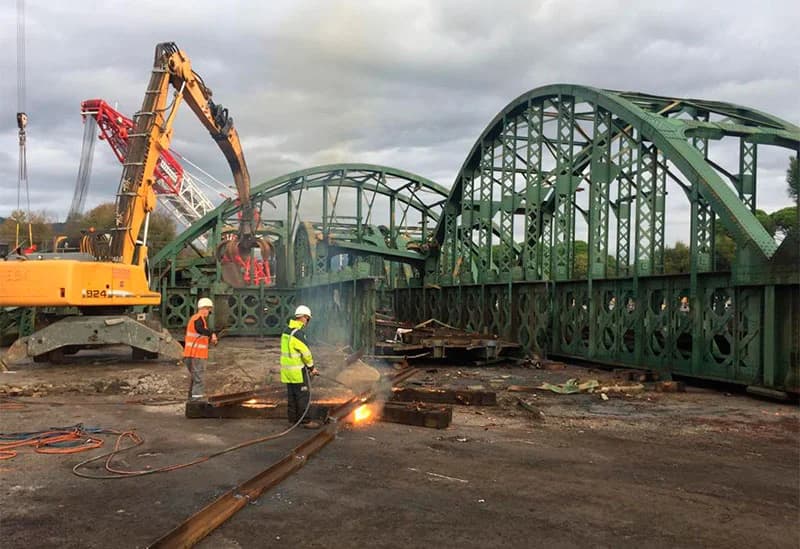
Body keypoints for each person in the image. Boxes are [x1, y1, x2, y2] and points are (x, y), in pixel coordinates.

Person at [281, 305, 320, 429]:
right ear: (303, 318)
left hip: (287, 371)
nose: (307, 322)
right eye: (307, 319)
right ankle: (305, 421)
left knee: (292, 396)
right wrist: (312, 368)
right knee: (303, 396)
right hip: (298, 371)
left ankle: (293, 419)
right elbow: (306, 354)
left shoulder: (286, 331)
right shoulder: (298, 334)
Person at [183, 297, 218, 400]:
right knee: (199, 378)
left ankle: (191, 398)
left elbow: (200, 332)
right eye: (208, 309)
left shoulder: (197, 319)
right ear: (203, 308)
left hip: (190, 354)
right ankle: (197, 401)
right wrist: (211, 334)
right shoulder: (198, 318)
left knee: (195, 377)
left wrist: (211, 336)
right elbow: (200, 330)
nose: (209, 312)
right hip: (197, 354)